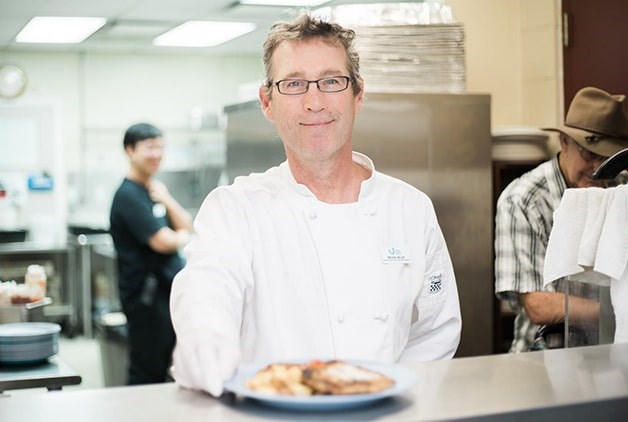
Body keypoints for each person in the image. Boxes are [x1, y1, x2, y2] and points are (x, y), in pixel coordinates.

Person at [169, 12, 462, 397]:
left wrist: (385, 397)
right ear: (267, 103)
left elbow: (436, 331)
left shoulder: (411, 208)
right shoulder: (235, 208)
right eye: (293, 84)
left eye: (331, 81)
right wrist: (204, 339)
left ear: (358, 94)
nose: (314, 102)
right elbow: (207, 288)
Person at [495, 86, 628, 353]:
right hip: (543, 358)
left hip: (613, 353)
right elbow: (537, 304)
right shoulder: (523, 200)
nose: (598, 169)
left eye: (609, 158)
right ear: (564, 141)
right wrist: (620, 310)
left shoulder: (621, 186)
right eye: (589, 154)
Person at [109, 122, 193, 384]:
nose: (156, 154)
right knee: (147, 369)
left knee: (163, 368)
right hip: (145, 299)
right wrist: (183, 238)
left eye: (160, 147)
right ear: (130, 151)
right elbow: (163, 241)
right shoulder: (128, 196)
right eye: (149, 148)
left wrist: (167, 199)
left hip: (163, 294)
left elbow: (187, 223)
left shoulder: (153, 191)